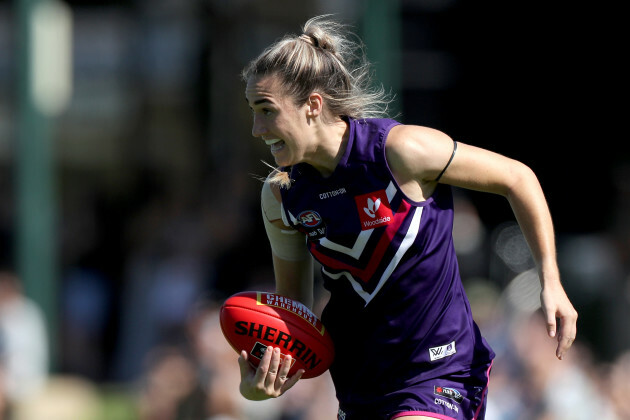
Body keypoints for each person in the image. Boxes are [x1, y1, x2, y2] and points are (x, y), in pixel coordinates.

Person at [238, 15, 578, 420]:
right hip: (360, 385)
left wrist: (551, 280)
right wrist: (266, 375)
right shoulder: (281, 196)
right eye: (253, 111)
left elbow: (517, 178)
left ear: (312, 105)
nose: (257, 129)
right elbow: (295, 312)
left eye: (267, 110)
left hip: (441, 372)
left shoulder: (400, 152)